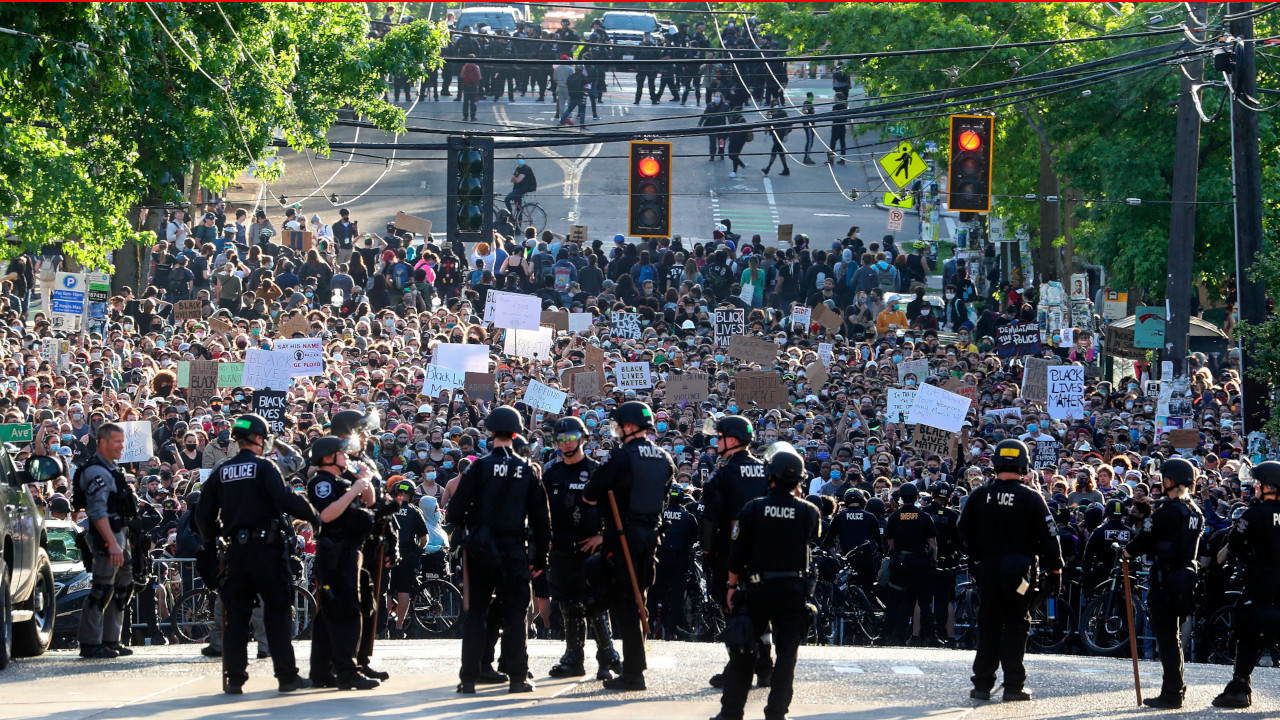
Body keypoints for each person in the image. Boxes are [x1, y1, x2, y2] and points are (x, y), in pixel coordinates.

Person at [195, 414, 319, 694]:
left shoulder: (221, 470)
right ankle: (287, 677)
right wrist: (315, 517)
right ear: (260, 439)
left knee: (236, 616)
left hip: (235, 554)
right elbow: (285, 498)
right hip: (267, 552)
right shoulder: (265, 467)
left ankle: (234, 679)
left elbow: (202, 514)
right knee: (276, 613)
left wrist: (216, 538)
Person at [710, 443, 819, 720]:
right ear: (799, 481)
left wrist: (732, 587)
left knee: (744, 652)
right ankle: (776, 713)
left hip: (757, 589)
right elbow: (811, 537)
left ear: (769, 477)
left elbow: (736, 555)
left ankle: (731, 712)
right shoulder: (809, 512)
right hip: (794, 591)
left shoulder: (752, 509)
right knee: (786, 657)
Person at [448, 406, 551, 694]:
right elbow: (542, 520)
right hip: (514, 548)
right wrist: (539, 557)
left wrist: (475, 524)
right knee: (516, 614)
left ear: (490, 433)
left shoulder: (478, 467)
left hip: (481, 549)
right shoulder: (528, 470)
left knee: (476, 613)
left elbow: (454, 513)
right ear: (516, 432)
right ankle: (518, 678)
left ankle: (468, 679)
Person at [957, 439, 1063, 702]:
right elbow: (1050, 536)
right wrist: (1056, 570)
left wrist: (976, 560)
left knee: (988, 623)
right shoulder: (1031, 497)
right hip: (1021, 574)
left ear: (995, 463)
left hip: (988, 571)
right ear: (1024, 465)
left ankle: (982, 685)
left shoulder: (980, 495)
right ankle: (1014, 686)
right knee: (1017, 624)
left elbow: (962, 531)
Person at [583, 400, 676, 691]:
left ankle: (634, 673)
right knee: (641, 597)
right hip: (652, 536)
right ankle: (637, 662)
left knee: (625, 600)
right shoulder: (664, 458)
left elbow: (590, 493)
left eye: (620, 425)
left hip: (623, 535)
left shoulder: (622, 457)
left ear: (629, 426)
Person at [541, 416, 621, 680]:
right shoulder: (551, 472)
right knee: (566, 605)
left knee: (595, 604)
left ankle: (608, 657)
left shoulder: (598, 471)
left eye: (572, 438)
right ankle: (573, 657)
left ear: (583, 439)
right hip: (562, 550)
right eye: (561, 439)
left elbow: (616, 512)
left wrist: (602, 537)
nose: (566, 444)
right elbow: (542, 511)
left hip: (592, 550)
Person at [1123, 456, 1204, 709]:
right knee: (1174, 637)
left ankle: (1172, 692)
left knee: (1167, 637)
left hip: (1165, 578)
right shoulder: (1195, 511)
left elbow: (1144, 539)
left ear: (1170, 480)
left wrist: (1126, 553)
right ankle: (1176, 686)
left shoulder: (1167, 510)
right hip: (1185, 578)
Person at [700, 415, 772, 688]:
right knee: (760, 607)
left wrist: (706, 551)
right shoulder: (767, 470)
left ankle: (738, 666)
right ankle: (765, 666)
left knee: (732, 607)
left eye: (719, 437)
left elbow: (710, 519)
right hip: (764, 551)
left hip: (730, 551)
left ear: (731, 440)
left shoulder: (723, 474)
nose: (716, 441)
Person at [306, 436, 381, 690]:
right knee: (345, 610)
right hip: (335, 553)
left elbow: (369, 501)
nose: (346, 457)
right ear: (328, 457)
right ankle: (346, 671)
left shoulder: (342, 480)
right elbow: (326, 515)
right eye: (341, 453)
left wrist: (363, 480)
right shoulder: (321, 482)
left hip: (350, 550)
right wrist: (353, 490)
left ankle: (323, 671)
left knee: (335, 611)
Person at [1213, 460, 1280, 708]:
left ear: (1270, 486)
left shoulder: (1254, 513)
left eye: (1259, 484)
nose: (1255, 488)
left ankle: (1240, 688)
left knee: (1249, 637)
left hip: (1261, 585)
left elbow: (1235, 543)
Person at [74, 422, 137, 659]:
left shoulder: (112, 469)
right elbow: (97, 512)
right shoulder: (96, 472)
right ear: (103, 442)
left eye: (123, 441)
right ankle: (90, 643)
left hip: (119, 532)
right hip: (105, 535)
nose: (122, 446)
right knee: (102, 588)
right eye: (117, 441)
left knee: (122, 587)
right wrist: (112, 543)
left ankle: (111, 640)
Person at [883, 482, 936, 645]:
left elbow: (890, 542)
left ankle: (892, 635)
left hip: (900, 564)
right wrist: (932, 563)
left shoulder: (894, 516)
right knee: (924, 602)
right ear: (916, 497)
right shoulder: (924, 516)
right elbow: (932, 544)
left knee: (896, 600)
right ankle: (929, 637)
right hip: (920, 563)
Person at [390, 478, 428, 639]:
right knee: (404, 590)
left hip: (388, 554)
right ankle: (398, 628)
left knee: (387, 590)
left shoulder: (387, 509)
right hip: (408, 554)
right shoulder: (414, 511)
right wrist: (418, 551)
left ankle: (384, 626)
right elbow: (424, 539)